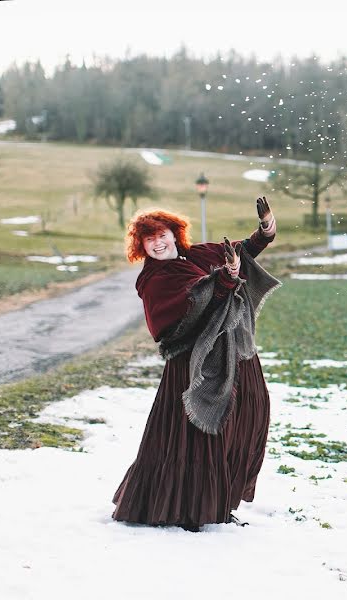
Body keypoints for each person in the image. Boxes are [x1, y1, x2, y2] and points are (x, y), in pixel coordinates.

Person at [112, 197, 280, 532]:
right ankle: (186, 509)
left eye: (162, 235)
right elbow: (195, 304)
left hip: (232, 349)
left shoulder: (198, 254)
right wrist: (226, 280)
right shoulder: (155, 279)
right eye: (150, 239)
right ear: (142, 246)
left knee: (245, 416)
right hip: (192, 363)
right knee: (198, 435)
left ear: (175, 234)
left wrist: (265, 231)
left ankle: (220, 501)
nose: (158, 243)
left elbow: (242, 252)